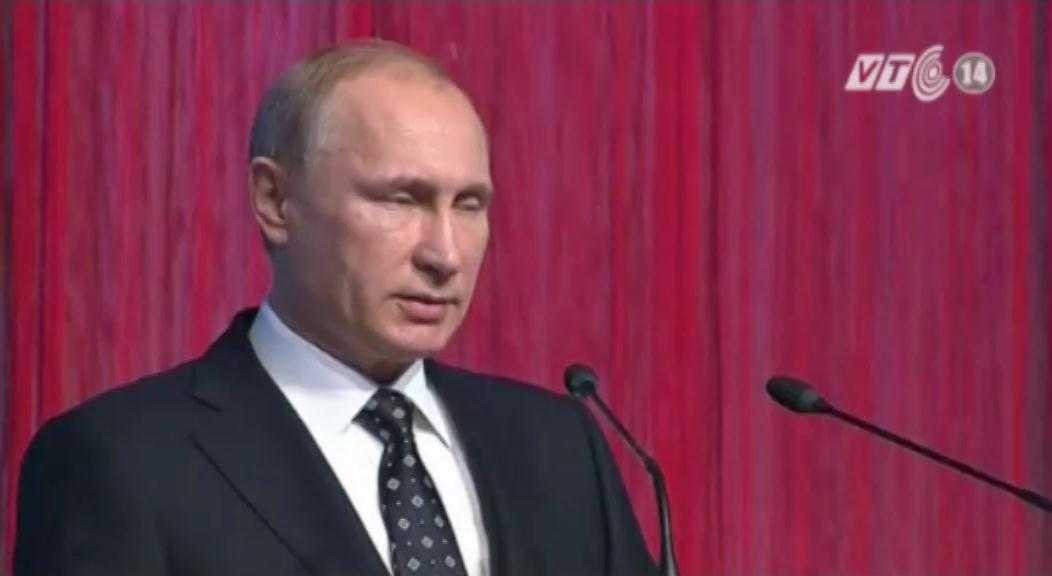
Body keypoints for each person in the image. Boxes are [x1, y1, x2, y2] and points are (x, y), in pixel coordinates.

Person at [14, 40, 656, 576]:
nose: (445, 254)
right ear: (275, 201)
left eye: (469, 205)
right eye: (401, 200)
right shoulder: (121, 462)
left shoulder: (560, 447)